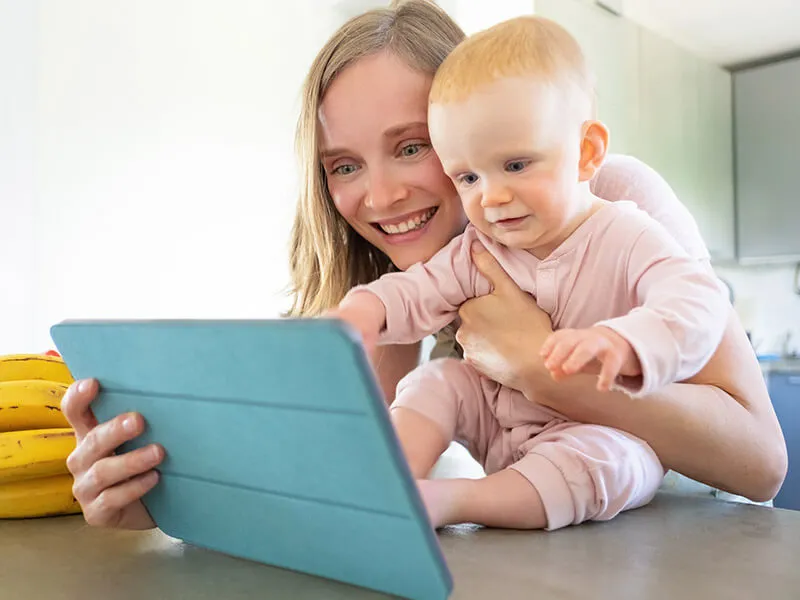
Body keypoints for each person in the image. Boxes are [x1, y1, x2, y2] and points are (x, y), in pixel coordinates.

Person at [61, 0, 786, 531]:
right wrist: (157, 500)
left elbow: (761, 464)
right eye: (343, 165)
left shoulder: (609, 200)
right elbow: (330, 492)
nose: (379, 196)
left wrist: (538, 366)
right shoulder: (384, 291)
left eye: (412, 147)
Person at [327, 15, 731, 530]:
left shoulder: (626, 230)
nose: (492, 197)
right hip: (503, 427)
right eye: (469, 176)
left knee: (610, 461)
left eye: (515, 165)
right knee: (438, 381)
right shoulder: (481, 243)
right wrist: (370, 308)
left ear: (585, 153)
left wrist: (629, 343)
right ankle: (384, 486)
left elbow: (697, 304)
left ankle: (452, 502)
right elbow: (418, 290)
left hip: (594, 440)